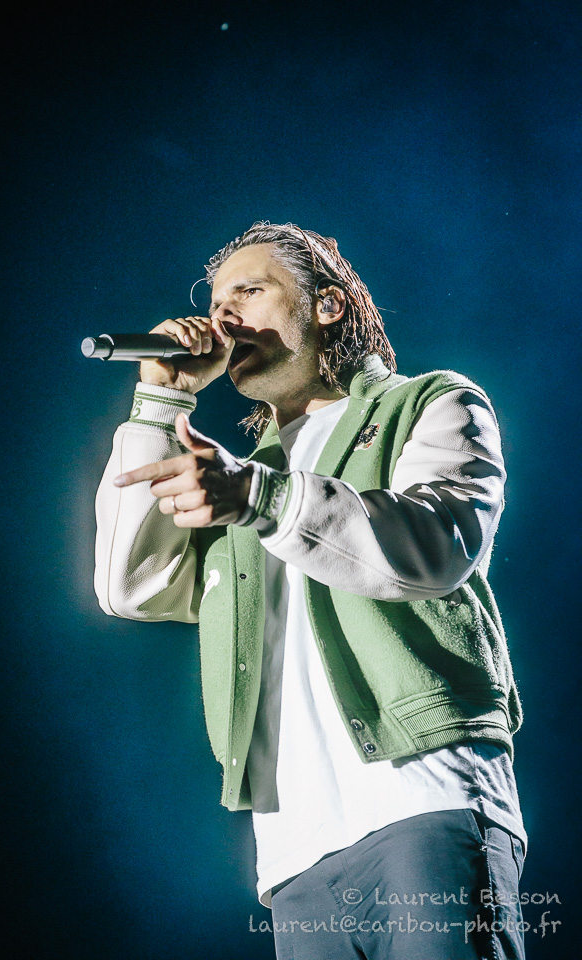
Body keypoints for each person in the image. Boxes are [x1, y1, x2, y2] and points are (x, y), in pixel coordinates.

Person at [94, 222, 527, 960]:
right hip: (295, 853)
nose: (222, 316)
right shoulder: (240, 474)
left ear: (327, 306)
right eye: (215, 303)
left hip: (426, 800)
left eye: (249, 291)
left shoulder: (428, 403)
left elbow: (436, 546)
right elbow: (130, 585)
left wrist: (259, 497)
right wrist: (160, 405)